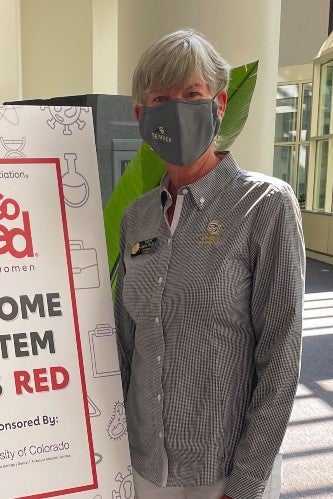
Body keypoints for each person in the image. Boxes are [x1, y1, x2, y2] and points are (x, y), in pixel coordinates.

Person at [115, 29, 304, 499]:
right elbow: (124, 341)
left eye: (192, 94)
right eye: (161, 98)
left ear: (219, 104)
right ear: (142, 115)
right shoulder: (137, 217)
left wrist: (245, 483)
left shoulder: (264, 206)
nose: (177, 108)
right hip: (145, 464)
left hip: (221, 467)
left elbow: (281, 355)